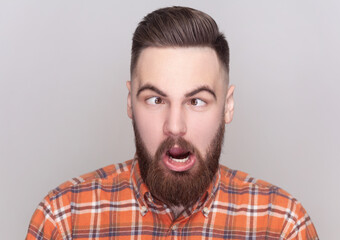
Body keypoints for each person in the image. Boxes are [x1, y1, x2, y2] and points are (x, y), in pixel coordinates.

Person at [26, 6, 318, 240]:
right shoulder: (63, 220)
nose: (175, 126)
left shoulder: (282, 226)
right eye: (156, 100)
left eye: (196, 101)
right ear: (130, 102)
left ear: (227, 107)